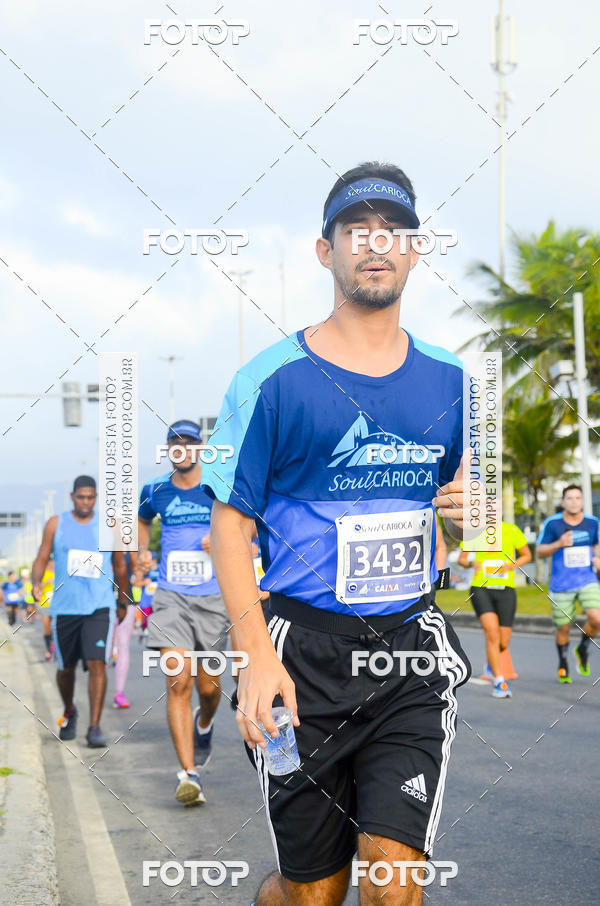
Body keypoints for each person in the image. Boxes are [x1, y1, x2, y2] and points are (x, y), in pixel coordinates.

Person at [203, 161, 472, 906]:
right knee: (311, 895)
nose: (376, 245)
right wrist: (255, 656)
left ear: (414, 252)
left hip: (410, 651)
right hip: (303, 659)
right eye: (358, 231)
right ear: (327, 251)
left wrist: (470, 516)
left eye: (394, 232)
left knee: (392, 881)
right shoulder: (271, 380)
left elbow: (464, 516)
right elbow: (228, 528)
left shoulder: (452, 381)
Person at [137, 420, 232, 806]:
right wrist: (142, 551)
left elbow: (252, 529)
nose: (182, 449)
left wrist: (221, 539)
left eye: (189, 443)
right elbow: (141, 522)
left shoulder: (218, 487)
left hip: (212, 599)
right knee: (178, 679)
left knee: (209, 688)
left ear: (200, 449)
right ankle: (188, 775)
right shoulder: (155, 490)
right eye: (174, 443)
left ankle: (204, 721)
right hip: (170, 597)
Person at [31, 476, 131, 747]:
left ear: (96, 497)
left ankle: (95, 727)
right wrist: (36, 584)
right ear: (72, 496)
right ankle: (69, 710)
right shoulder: (56, 523)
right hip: (65, 608)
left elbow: (120, 566)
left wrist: (124, 601)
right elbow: (42, 556)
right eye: (80, 497)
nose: (85, 502)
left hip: (99, 606)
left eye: (90, 497)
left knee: (98, 663)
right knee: (66, 668)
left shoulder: (109, 526)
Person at [458, 521, 531, 698]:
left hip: (506, 589)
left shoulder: (511, 529)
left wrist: (511, 565)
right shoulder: (472, 531)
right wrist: (471, 564)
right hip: (480, 588)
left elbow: (526, 555)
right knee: (491, 632)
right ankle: (499, 681)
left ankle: (492, 663)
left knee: (503, 641)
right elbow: (461, 559)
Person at [537, 484, 600, 683]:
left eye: (578, 498)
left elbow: (596, 545)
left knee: (597, 619)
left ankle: (582, 646)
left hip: (588, 579)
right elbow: (539, 551)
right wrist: (559, 543)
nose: (574, 501)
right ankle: (563, 661)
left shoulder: (592, 522)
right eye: (570, 498)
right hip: (561, 583)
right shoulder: (552, 523)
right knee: (563, 628)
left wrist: (598, 558)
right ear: (563, 502)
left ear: (582, 501)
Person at [38, 555, 56, 660]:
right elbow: (37, 587)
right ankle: (48, 649)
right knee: (47, 627)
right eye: (50, 562)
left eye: (53, 562)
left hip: (56, 604)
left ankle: (55, 648)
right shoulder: (43, 573)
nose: (52, 564)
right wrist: (47, 581)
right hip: (45, 603)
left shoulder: (58, 572)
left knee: (56, 627)